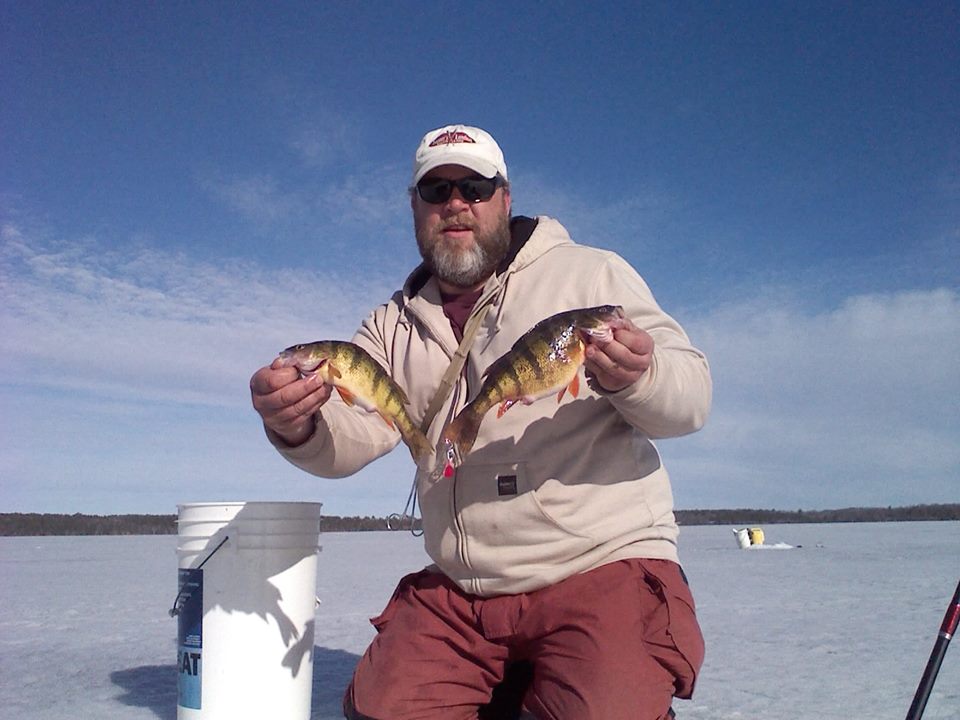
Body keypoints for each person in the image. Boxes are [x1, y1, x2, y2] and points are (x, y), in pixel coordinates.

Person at [250, 124, 711, 720]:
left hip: (598, 565)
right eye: (436, 191)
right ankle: (514, 683)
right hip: (466, 590)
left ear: (506, 196)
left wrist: (639, 376)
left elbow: (691, 391)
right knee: (382, 712)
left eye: (475, 186)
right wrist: (298, 424)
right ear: (414, 207)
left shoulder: (590, 277)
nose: (456, 204)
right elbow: (359, 432)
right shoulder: (391, 325)